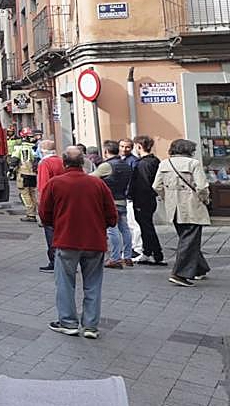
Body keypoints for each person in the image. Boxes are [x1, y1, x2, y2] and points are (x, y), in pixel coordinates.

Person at [39, 146, 118, 339]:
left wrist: (56, 224)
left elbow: (44, 213)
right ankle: (90, 325)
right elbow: (112, 215)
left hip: (66, 239)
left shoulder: (55, 184)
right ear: (83, 162)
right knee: (93, 284)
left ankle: (68, 322)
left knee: (65, 282)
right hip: (94, 241)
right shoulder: (97, 184)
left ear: (64, 163)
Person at [154, 139, 211, 288]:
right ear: (189, 150)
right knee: (189, 240)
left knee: (187, 238)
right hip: (191, 206)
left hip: (173, 207)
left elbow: (156, 186)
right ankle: (179, 273)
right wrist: (205, 200)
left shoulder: (164, 164)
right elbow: (202, 187)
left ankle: (199, 268)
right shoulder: (193, 164)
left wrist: (168, 197)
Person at [94, 140, 134, 269]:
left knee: (112, 229)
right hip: (122, 199)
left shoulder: (106, 166)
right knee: (125, 229)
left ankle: (115, 258)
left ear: (106, 151)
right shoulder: (125, 164)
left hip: (110, 201)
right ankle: (127, 257)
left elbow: (90, 178)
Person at [130, 135, 166, 266]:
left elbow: (143, 183)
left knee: (147, 227)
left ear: (139, 146)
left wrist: (135, 197)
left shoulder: (143, 164)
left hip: (142, 200)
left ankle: (157, 254)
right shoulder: (154, 161)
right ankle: (147, 252)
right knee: (146, 226)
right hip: (149, 199)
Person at [35, 140, 64, 272]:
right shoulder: (61, 161)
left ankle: (54, 261)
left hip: (51, 203)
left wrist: (40, 207)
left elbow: (43, 186)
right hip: (62, 201)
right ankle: (65, 260)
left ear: (42, 150)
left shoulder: (44, 163)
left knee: (50, 232)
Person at [10, 129, 38, 222]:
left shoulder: (20, 148)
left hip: (23, 173)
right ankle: (37, 212)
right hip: (34, 174)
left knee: (25, 194)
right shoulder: (36, 147)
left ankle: (30, 214)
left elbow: (14, 161)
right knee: (33, 194)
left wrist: (10, 171)